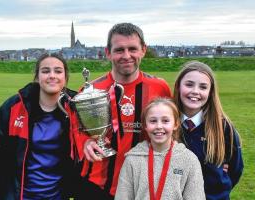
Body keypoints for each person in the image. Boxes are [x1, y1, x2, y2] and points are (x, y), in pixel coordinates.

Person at [75, 23, 172, 199]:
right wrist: (85, 143)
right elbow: (76, 130)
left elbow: (175, 128)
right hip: (96, 187)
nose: (126, 56)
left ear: (143, 50)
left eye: (132, 49)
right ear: (108, 52)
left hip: (143, 187)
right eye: (119, 50)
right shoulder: (90, 91)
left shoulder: (160, 88)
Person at [0, 53, 78, 199]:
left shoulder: (77, 108)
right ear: (37, 77)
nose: (52, 75)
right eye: (45, 71)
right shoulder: (13, 108)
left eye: (58, 71)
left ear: (65, 77)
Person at [173, 61, 244, 200]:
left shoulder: (223, 127)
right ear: (178, 87)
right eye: (189, 84)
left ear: (210, 92)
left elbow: (236, 169)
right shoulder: (167, 125)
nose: (195, 91)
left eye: (203, 87)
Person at [115, 98, 205, 200]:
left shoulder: (189, 160)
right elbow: (122, 196)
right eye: (153, 121)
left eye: (165, 121)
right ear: (145, 125)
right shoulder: (132, 159)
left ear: (175, 124)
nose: (159, 126)